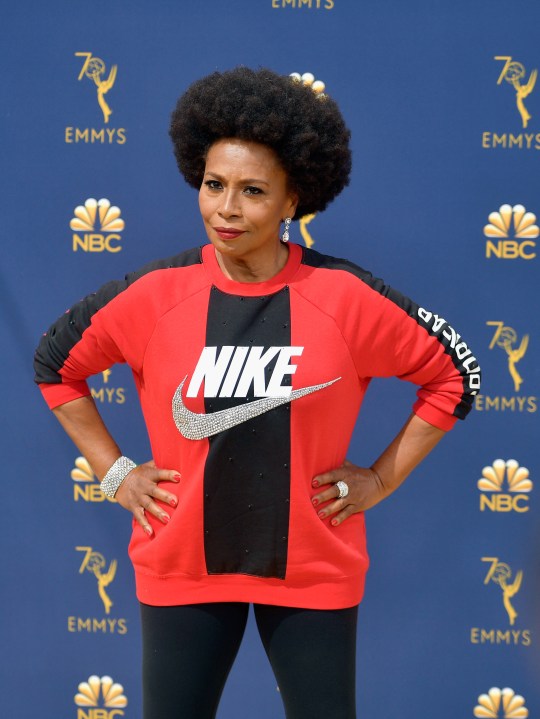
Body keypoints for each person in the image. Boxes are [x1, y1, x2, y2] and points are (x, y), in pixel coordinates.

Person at [34, 67, 480, 719]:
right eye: (214, 185)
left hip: (312, 567)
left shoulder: (345, 298)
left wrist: (381, 480)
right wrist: (117, 473)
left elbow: (454, 375)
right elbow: (55, 365)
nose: (226, 208)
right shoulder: (155, 294)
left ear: (292, 200)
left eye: (252, 191)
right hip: (182, 564)